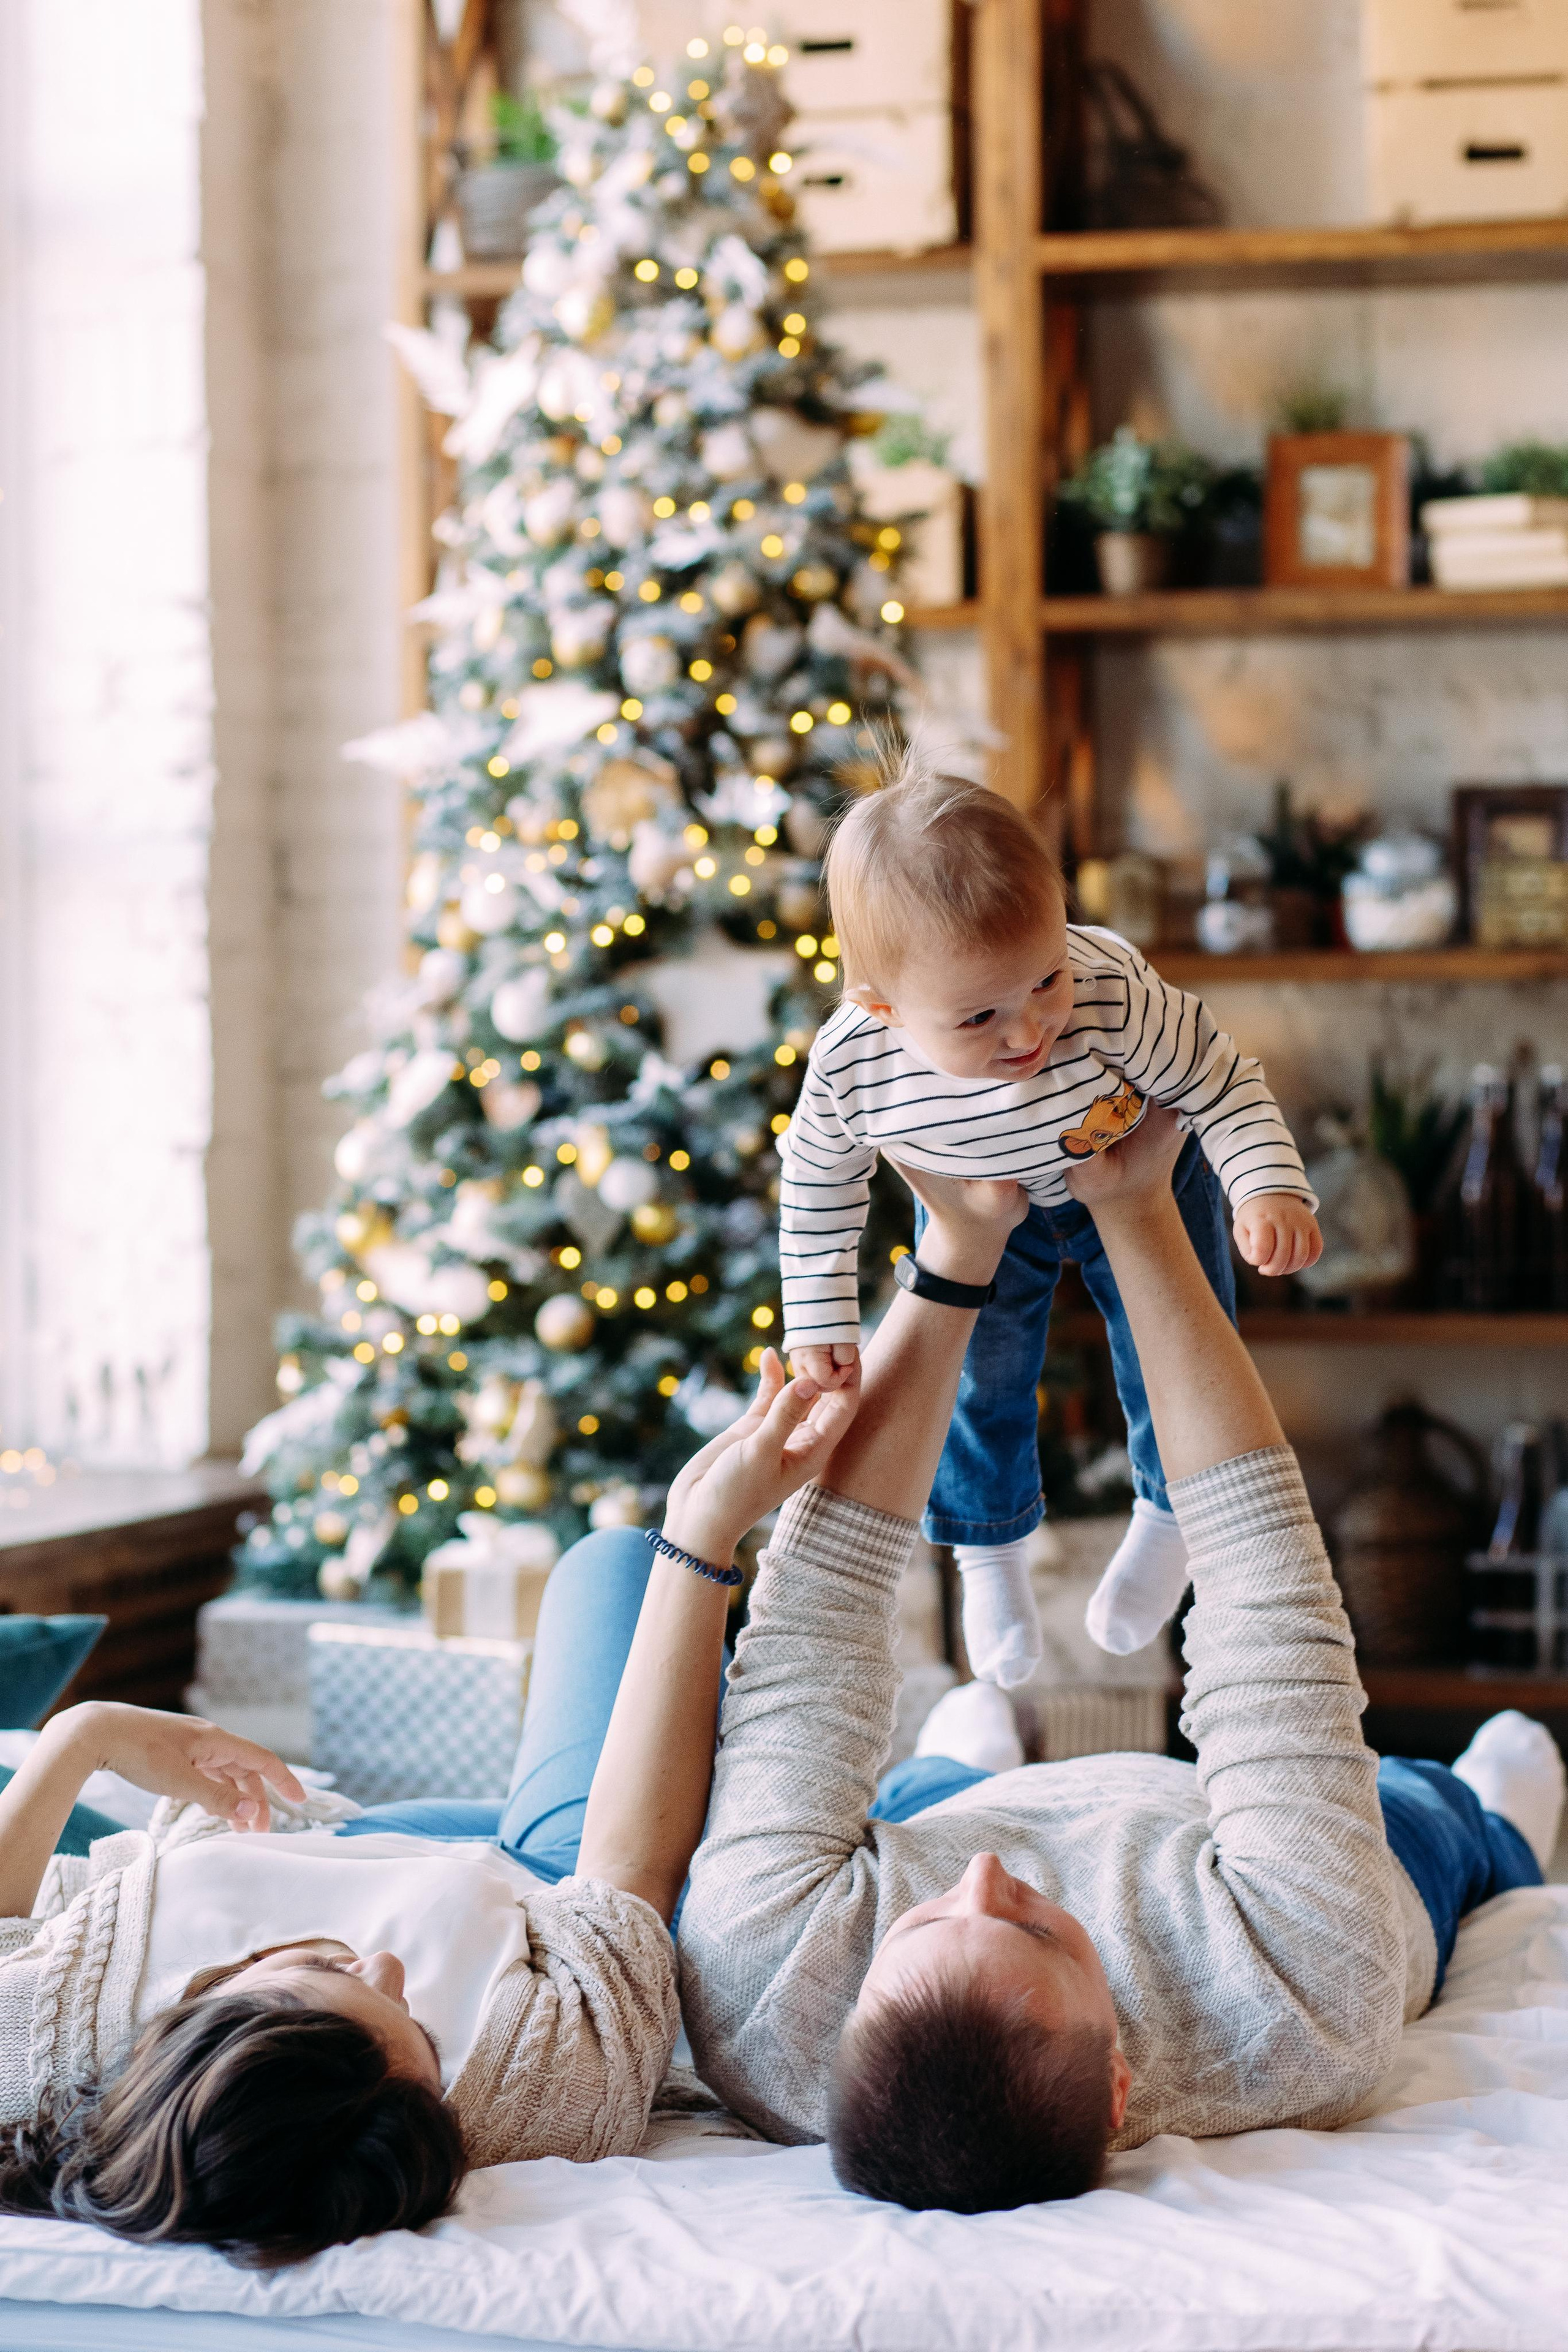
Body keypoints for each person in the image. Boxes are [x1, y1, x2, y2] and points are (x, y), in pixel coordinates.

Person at [679, 1107, 1565, 2214]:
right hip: (1225, 1869)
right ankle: (1487, 1825)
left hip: (967, 1805)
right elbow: (1268, 1603)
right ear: (1116, 2089)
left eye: (925, 1924)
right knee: (1425, 1825)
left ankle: (963, 1774)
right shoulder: (1304, 2007)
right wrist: (1143, 1215)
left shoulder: (762, 1997)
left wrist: (953, 1256)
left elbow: (814, 1638)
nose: (990, 1882)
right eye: (1034, 1927)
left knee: (931, 1803)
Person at [0, 1349, 858, 2267]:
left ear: (183, 2037)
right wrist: (703, 1532)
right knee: (615, 1564)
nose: (389, 1967)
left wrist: (82, 1736)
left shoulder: (43, 2049)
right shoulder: (527, 2094)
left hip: (357, 1835)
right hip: (551, 1879)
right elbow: (628, 1874)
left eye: (327, 1981)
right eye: (416, 2028)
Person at [778, 750, 1323, 1682]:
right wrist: (819, 1318)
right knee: (983, 1379)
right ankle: (987, 1551)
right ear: (883, 1008)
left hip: (1136, 1164)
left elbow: (1222, 1080)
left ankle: (1166, 1512)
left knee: (1174, 1355)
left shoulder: (1110, 990)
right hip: (982, 1205)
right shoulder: (854, 1065)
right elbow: (818, 1185)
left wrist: (1267, 1185)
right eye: (980, 1018)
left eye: (1043, 980)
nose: (1030, 1032)